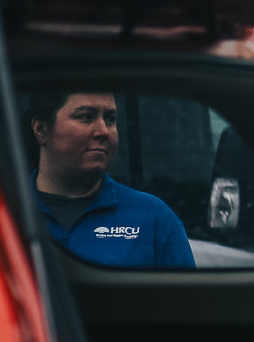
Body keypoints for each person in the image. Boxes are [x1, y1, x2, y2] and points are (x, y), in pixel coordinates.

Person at [26, 90, 194, 269]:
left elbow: (187, 296)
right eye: (86, 117)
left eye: (110, 119)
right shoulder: (6, 211)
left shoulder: (154, 218)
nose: (103, 131)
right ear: (40, 129)